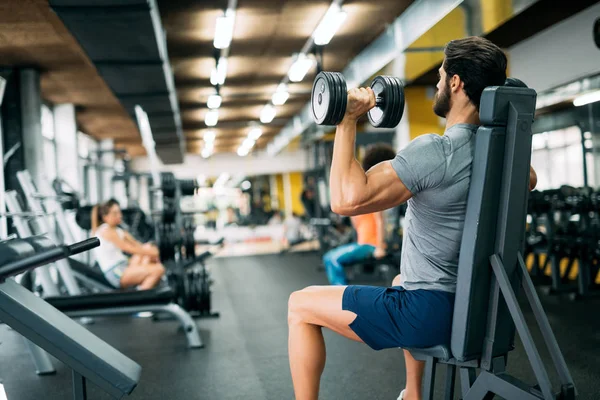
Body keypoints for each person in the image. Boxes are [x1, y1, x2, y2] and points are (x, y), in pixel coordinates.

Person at [287, 36, 538, 400]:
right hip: (484, 308)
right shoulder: (502, 154)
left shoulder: (436, 151)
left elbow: (345, 199)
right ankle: (415, 393)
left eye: (440, 77)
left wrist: (347, 119)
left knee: (299, 304)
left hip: (429, 314)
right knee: (401, 276)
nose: (437, 85)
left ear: (455, 83)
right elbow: (530, 178)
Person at [322, 143, 396, 285]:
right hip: (363, 243)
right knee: (329, 257)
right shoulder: (357, 193)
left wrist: (380, 247)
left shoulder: (372, 192)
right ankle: (341, 291)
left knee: (331, 259)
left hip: (370, 245)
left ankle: (342, 293)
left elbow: (380, 220)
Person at [92, 199, 165, 290]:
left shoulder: (118, 230)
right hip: (116, 271)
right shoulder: (105, 230)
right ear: (105, 217)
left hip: (124, 264)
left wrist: (151, 251)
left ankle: (146, 284)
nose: (119, 216)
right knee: (158, 270)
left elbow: (137, 245)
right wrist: (152, 253)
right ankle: (139, 297)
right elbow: (127, 248)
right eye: (115, 213)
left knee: (148, 247)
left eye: (119, 212)